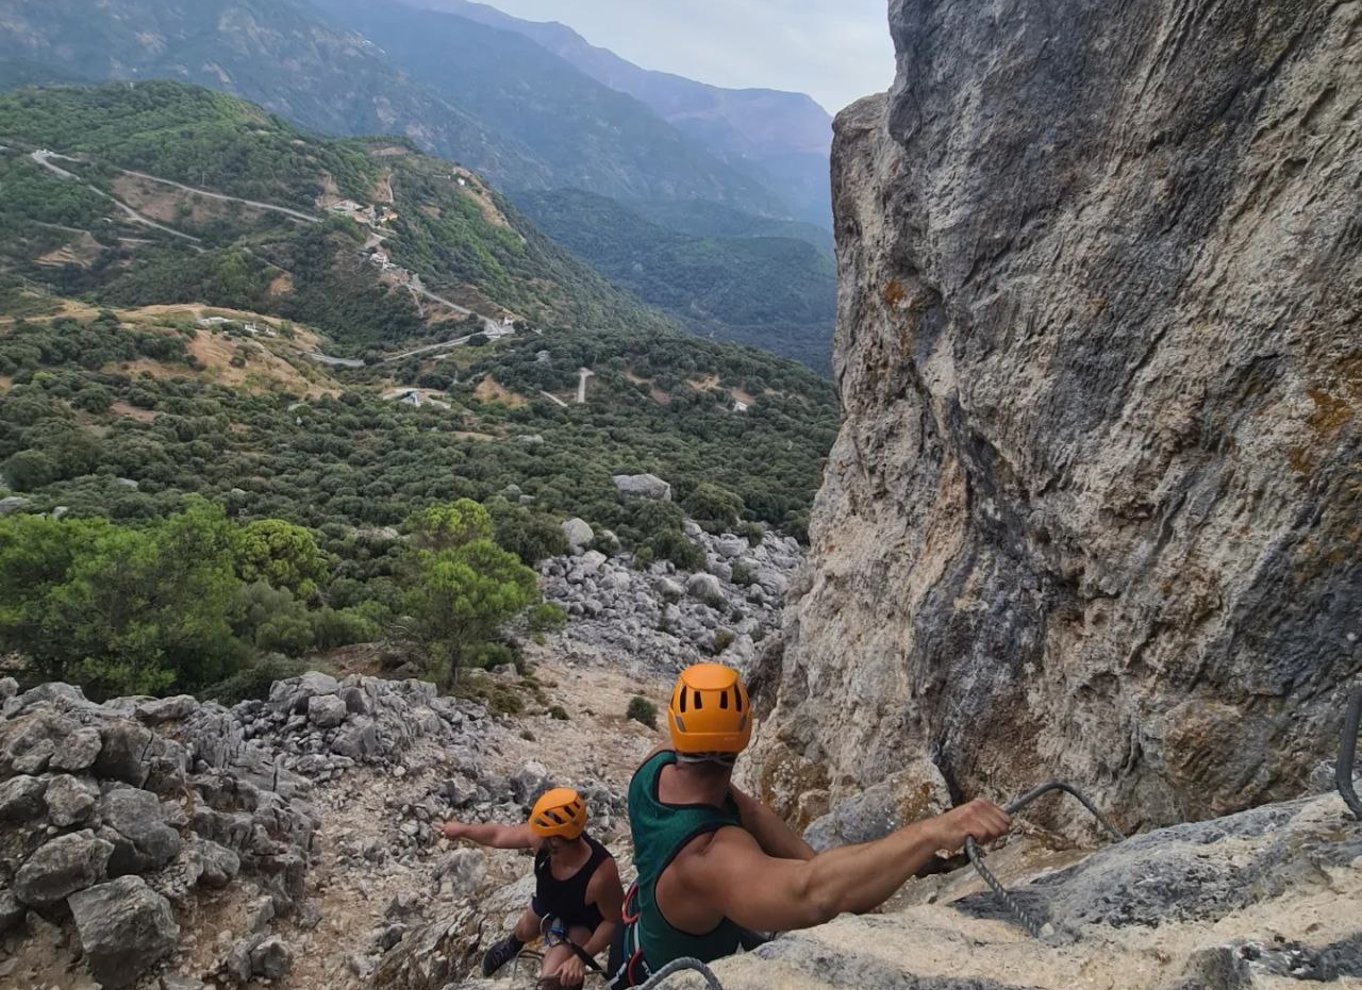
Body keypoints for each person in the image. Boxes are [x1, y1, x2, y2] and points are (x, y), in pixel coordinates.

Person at [608, 663, 1012, 988]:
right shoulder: (709, 858)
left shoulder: (654, 767)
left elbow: (749, 811)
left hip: (641, 941)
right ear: (745, 734)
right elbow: (812, 893)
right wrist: (932, 832)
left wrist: (822, 869)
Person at [440, 787, 623, 989]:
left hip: (581, 920)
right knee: (525, 929)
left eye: (543, 833)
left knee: (552, 978)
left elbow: (613, 920)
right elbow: (498, 836)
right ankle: (512, 945)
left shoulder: (601, 874)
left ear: (556, 840)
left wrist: (581, 957)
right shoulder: (544, 841)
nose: (535, 835)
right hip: (549, 901)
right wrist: (463, 830)